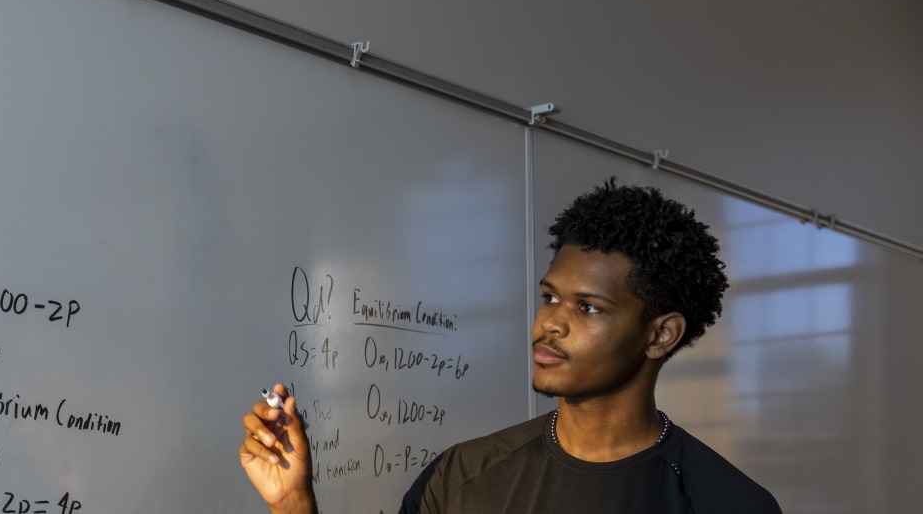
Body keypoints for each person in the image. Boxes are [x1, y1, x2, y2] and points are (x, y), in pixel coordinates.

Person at [239, 179, 781, 513]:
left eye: (588, 308)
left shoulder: (730, 503)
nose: (551, 323)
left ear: (661, 334)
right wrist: (294, 504)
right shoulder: (463, 478)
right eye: (550, 297)